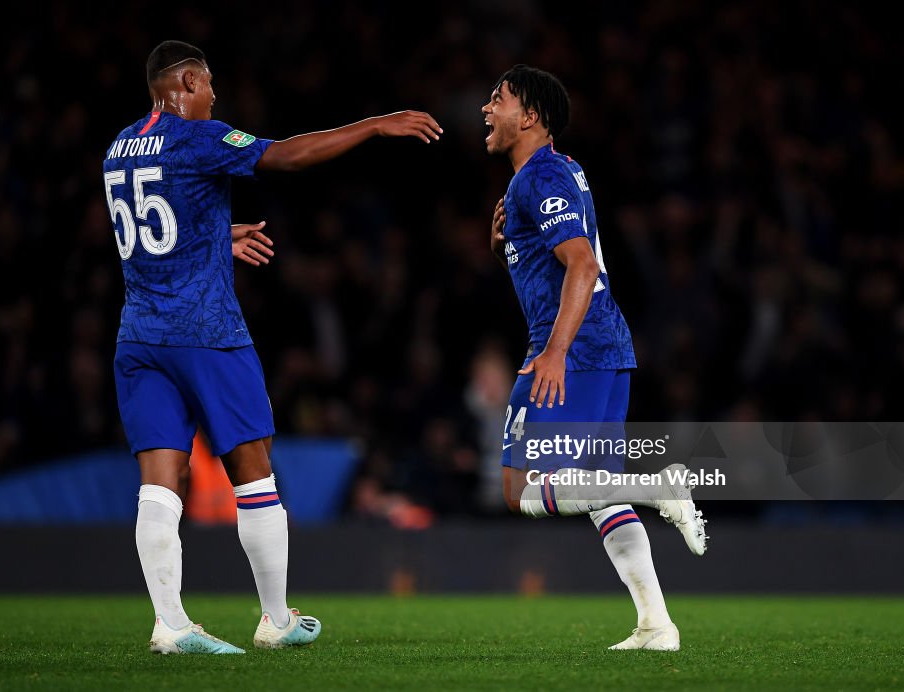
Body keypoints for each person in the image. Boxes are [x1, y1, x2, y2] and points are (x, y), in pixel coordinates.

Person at [104, 40, 442, 655]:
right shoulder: (198, 137)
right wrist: (372, 126)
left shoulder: (117, 147)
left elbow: (153, 233)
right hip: (206, 333)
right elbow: (284, 157)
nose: (214, 98)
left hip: (139, 336)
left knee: (159, 482)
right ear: (183, 81)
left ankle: (170, 626)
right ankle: (275, 620)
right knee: (253, 469)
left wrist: (211, 237)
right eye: (208, 85)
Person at [482, 65, 706, 650]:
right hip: (604, 348)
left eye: (498, 100)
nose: (487, 109)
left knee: (521, 487)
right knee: (599, 491)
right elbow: (560, 253)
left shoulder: (540, 177)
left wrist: (555, 352)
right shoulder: (558, 171)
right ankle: (656, 625)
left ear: (529, 116)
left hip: (572, 351)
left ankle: (660, 488)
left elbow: (582, 264)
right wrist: (512, 243)